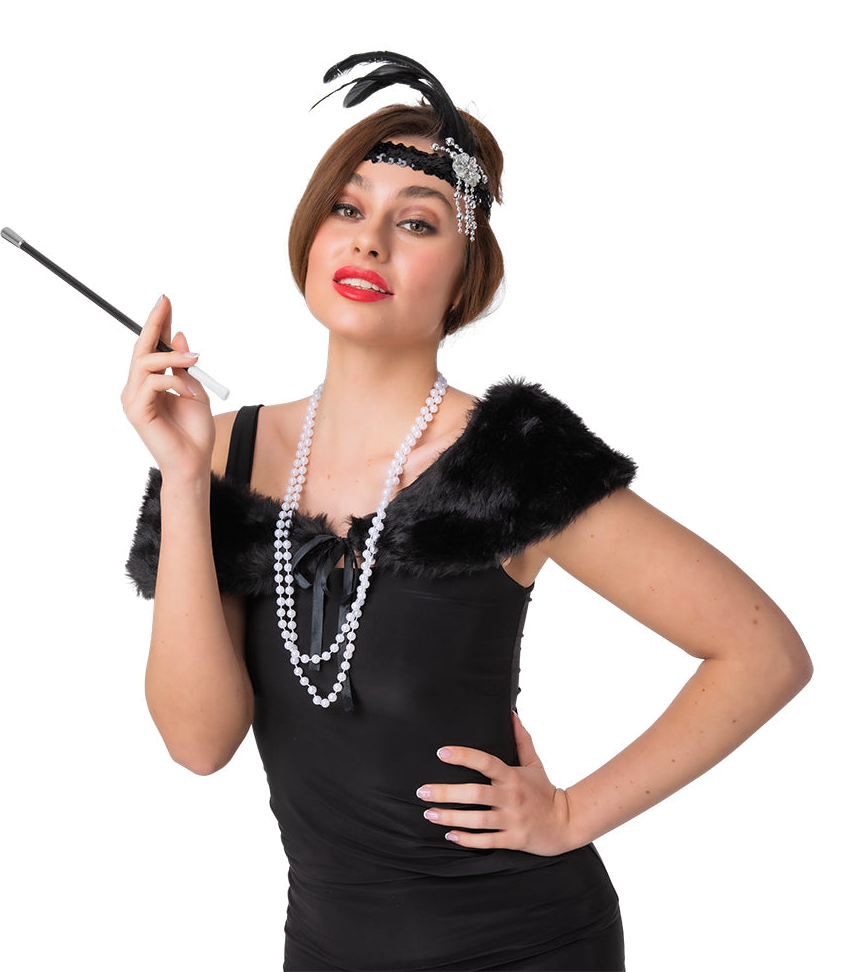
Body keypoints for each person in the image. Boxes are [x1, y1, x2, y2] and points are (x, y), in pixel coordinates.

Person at [123, 53, 812, 971]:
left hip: (524, 944)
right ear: (311, 236)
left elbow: (763, 651)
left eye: (415, 222)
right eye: (347, 208)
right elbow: (198, 742)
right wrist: (182, 477)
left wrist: (570, 812)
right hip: (327, 949)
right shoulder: (227, 452)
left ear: (466, 274)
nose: (369, 242)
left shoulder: (510, 462)